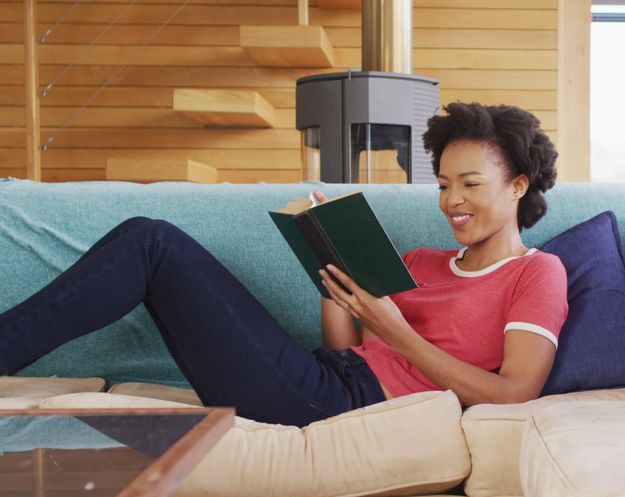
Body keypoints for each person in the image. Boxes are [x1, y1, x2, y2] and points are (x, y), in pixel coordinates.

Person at [0, 102, 568, 427]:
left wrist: (397, 331)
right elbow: (349, 351)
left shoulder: (537, 273)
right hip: (326, 375)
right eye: (444, 185)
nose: (452, 201)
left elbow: (518, 392)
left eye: (470, 184)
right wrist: (330, 270)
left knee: (152, 244)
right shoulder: (422, 261)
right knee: (150, 242)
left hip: (340, 403)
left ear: (518, 185)